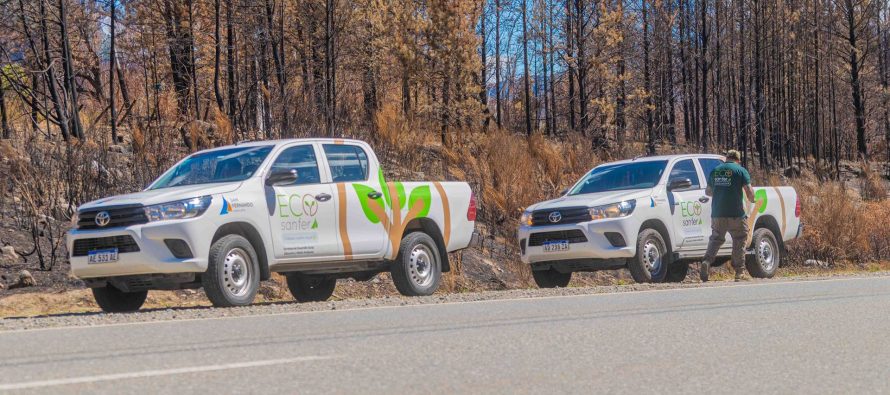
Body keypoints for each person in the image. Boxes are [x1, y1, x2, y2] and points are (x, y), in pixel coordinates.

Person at [700, 150, 756, 282]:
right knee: (740, 238)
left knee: (716, 239)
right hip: (736, 213)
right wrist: (752, 199)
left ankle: (707, 262)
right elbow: (749, 191)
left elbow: (708, 191)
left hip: (718, 213)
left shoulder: (716, 170)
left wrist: (721, 192)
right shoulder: (740, 171)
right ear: (738, 159)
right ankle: (739, 272)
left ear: (727, 158)